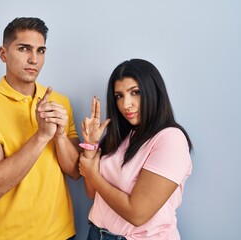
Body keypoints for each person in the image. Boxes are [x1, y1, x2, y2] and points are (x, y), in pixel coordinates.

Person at [0, 17, 80, 240]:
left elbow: (75, 172)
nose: (33, 59)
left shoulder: (60, 102)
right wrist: (42, 136)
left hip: (61, 233)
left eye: (41, 50)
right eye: (23, 48)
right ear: (3, 54)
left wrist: (61, 136)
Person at [79, 59, 193, 240]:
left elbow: (137, 214)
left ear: (153, 92)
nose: (126, 104)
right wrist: (91, 145)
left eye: (135, 92)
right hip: (97, 234)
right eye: (119, 96)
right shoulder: (120, 136)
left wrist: (92, 174)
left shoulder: (170, 139)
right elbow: (92, 193)